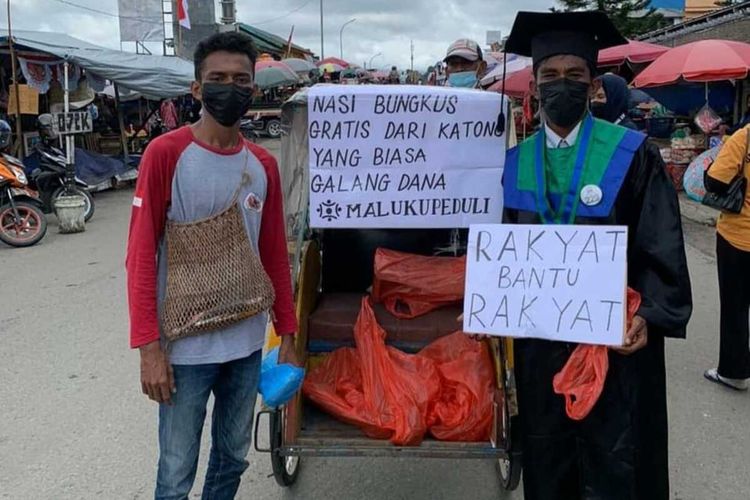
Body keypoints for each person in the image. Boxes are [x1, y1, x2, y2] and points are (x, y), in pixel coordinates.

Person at [502, 11, 692, 499]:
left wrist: (649, 315)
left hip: (616, 348)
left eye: (574, 76)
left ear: (593, 86)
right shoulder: (513, 165)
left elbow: (661, 246)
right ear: (535, 86)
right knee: (551, 461)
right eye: (550, 76)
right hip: (542, 350)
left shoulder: (632, 153)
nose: (561, 87)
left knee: (619, 463)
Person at [126, 31, 299, 499]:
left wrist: (288, 332)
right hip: (184, 351)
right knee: (176, 470)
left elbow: (273, 254)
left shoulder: (263, 163)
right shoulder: (166, 154)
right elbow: (140, 256)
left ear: (253, 89)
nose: (230, 88)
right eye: (217, 78)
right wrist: (148, 348)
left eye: (240, 79)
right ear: (197, 89)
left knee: (233, 458)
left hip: (244, 345)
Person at [703, 124, 750, 390]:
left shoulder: (744, 137)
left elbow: (716, 181)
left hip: (740, 238)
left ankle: (734, 371)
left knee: (736, 306)